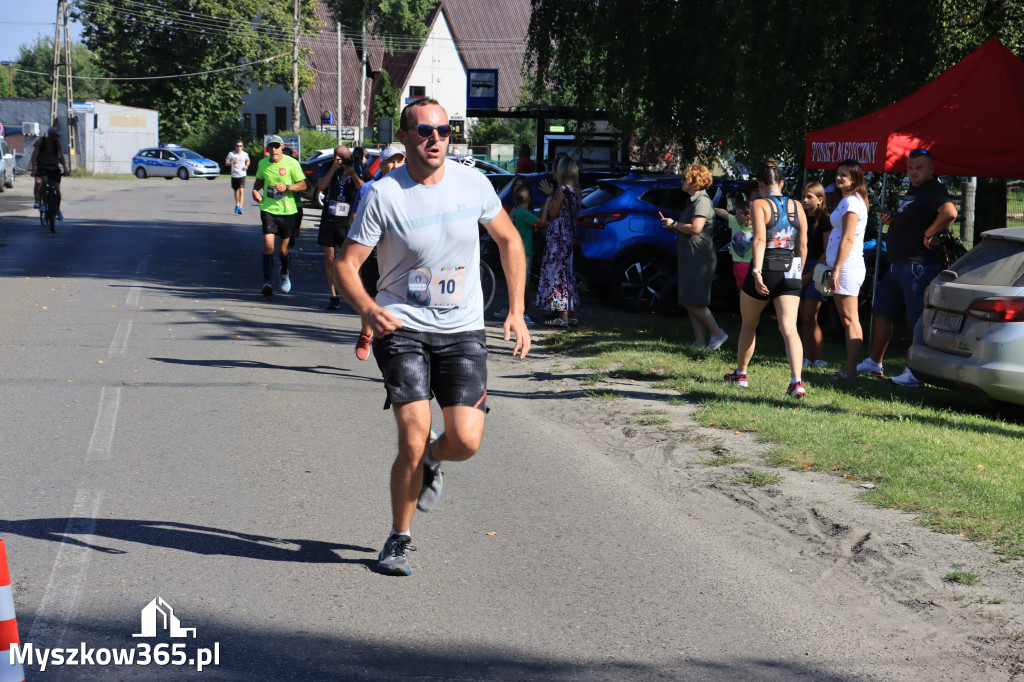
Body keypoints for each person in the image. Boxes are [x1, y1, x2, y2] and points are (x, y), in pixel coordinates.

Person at [334, 97, 530, 577]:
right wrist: (368, 309)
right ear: (404, 136)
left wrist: (518, 311)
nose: (436, 138)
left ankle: (433, 463)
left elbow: (510, 241)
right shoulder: (383, 194)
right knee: (412, 435)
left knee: (464, 440)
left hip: (462, 327)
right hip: (401, 325)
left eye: (444, 130)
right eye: (425, 131)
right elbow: (346, 265)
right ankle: (399, 539)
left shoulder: (473, 183)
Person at [857, 148, 957, 387]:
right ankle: (875, 362)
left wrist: (928, 233)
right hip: (898, 264)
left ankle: (917, 372)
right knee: (882, 312)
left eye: (919, 168)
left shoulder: (933, 189)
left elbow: (950, 212)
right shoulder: (915, 190)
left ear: (931, 169)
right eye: (910, 168)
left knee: (917, 320)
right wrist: (894, 219)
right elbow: (916, 217)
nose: (913, 172)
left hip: (918, 266)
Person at [724, 159, 808, 397]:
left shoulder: (759, 204)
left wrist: (757, 271)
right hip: (791, 266)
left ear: (760, 185)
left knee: (749, 323)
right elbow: (802, 244)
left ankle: (741, 374)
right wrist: (798, 273)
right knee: (789, 327)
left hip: (768, 264)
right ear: (782, 182)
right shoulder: (797, 205)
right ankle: (797, 381)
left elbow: (760, 239)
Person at [345, 143, 406, 359]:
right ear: (382, 163)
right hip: (373, 252)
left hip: (401, 255)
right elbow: (355, 220)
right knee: (371, 296)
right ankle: (365, 334)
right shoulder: (368, 189)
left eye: (400, 160)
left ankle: (402, 341)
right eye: (391, 160)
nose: (396, 165)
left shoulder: (413, 189)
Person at [660, 164, 728, 349]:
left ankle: (717, 333)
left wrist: (674, 224)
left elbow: (696, 228)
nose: (682, 181)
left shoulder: (702, 201)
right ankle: (699, 341)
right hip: (690, 256)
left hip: (699, 258)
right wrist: (674, 225)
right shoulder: (693, 201)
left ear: (695, 181)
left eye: (685, 178)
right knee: (689, 300)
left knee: (694, 300)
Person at [826, 159, 869, 380]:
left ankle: (851, 371)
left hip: (847, 265)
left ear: (855, 178)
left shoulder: (852, 202)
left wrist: (836, 269)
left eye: (844, 174)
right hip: (841, 264)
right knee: (846, 319)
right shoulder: (849, 200)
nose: (839, 177)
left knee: (851, 319)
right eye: (838, 173)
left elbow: (848, 238)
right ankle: (849, 368)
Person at [252, 135, 307, 297]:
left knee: (283, 249)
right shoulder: (263, 164)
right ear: (267, 149)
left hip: (287, 211)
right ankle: (267, 281)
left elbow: (304, 185)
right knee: (268, 246)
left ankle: (284, 273)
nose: (274, 150)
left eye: (277, 146)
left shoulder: (292, 163)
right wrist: (255, 191)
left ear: (282, 147)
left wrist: (287, 186)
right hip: (268, 209)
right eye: (271, 147)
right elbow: (259, 181)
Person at [317, 144, 365, 311]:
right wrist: (333, 169)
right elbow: (321, 186)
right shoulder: (326, 166)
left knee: (350, 260)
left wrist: (351, 173)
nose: (342, 160)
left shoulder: (355, 166)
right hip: (329, 218)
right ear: (333, 157)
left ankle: (354, 295)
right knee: (330, 259)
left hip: (347, 219)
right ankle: (333, 295)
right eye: (339, 157)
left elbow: (364, 188)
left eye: (345, 157)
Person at [536, 156, 581, 327]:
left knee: (557, 275)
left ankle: (562, 317)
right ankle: (573, 315)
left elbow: (553, 213)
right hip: (570, 235)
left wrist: (550, 196)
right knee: (569, 275)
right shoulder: (577, 189)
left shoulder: (562, 189)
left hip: (558, 237)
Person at [799, 181, 833, 367]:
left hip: (820, 270)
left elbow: (827, 252)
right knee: (804, 316)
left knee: (812, 315)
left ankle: (819, 358)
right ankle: (808, 356)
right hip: (802, 266)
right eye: (803, 196)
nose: (804, 200)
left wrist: (810, 275)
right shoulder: (801, 218)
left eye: (809, 197)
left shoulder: (826, 220)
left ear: (820, 200)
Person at [714, 195, 752, 290]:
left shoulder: (757, 228)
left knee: (747, 291)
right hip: (737, 263)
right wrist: (711, 207)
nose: (736, 216)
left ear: (747, 217)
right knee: (741, 290)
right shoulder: (735, 221)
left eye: (739, 214)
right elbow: (724, 214)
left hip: (749, 264)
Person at [30, 127, 67, 221]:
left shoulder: (57, 143)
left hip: (54, 168)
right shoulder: (41, 142)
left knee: (57, 189)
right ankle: (43, 203)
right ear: (50, 135)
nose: (57, 137)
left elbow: (61, 156)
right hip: (43, 167)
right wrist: (33, 169)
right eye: (56, 135)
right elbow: (34, 156)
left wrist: (65, 169)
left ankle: (58, 210)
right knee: (44, 182)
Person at [225, 140, 251, 215]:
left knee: (241, 191)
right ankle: (237, 204)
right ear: (235, 146)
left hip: (242, 174)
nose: (239, 147)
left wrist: (246, 165)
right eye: (237, 146)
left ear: (242, 146)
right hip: (234, 175)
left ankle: (240, 208)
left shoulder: (245, 154)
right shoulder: (231, 154)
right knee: (236, 192)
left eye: (240, 146)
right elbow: (226, 163)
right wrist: (232, 162)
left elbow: (248, 160)